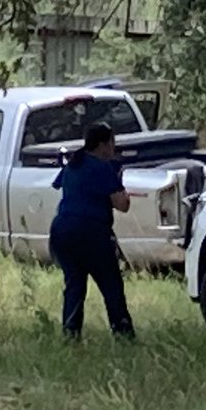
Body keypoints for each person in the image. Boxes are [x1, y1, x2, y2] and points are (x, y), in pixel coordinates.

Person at [49, 122, 136, 340]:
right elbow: (121, 204)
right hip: (91, 233)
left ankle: (71, 333)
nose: (113, 148)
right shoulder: (103, 168)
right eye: (112, 143)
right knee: (111, 286)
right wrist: (122, 188)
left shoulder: (72, 164)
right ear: (103, 145)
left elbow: (62, 186)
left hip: (62, 232)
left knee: (75, 285)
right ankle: (123, 333)